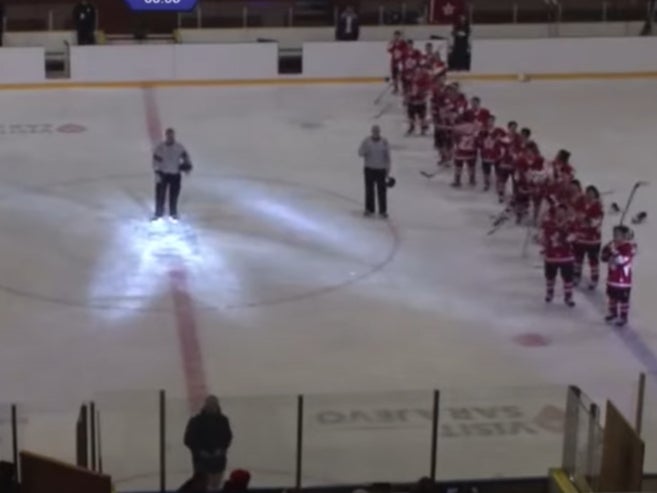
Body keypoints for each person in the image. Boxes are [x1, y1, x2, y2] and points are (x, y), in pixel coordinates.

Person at [184, 396, 233, 492]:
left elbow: (227, 437)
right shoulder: (196, 421)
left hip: (218, 461)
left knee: (215, 486)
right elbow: (188, 439)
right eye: (210, 404)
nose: (211, 407)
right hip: (202, 462)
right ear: (205, 405)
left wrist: (221, 449)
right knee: (202, 486)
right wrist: (200, 452)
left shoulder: (223, 420)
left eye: (213, 404)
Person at [152, 127, 193, 221]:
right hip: (163, 174)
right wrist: (157, 172)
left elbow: (186, 158)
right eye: (168, 135)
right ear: (166, 136)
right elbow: (155, 161)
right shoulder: (160, 148)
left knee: (174, 195)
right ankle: (158, 214)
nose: (170, 137)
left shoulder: (179, 147)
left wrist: (187, 166)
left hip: (175, 175)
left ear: (174, 135)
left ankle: (173, 213)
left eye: (171, 135)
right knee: (159, 195)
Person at [540, 203, 576, 306]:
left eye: (562, 211)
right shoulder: (548, 223)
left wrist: (566, 238)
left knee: (568, 278)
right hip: (551, 256)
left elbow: (574, 236)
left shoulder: (570, 224)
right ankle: (549, 293)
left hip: (566, 256)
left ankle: (568, 296)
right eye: (558, 211)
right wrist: (543, 241)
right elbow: (542, 236)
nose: (560, 213)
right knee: (550, 276)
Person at [601, 225, 636, 327]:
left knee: (623, 299)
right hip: (612, 278)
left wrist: (614, 250)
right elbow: (604, 259)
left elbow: (622, 261)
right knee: (612, 297)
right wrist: (606, 250)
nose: (616, 237)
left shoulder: (628, 248)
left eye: (619, 235)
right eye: (615, 234)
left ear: (625, 236)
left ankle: (623, 317)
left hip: (623, 281)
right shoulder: (614, 245)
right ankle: (613, 313)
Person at [573, 185, 604, 289]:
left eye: (591, 193)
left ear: (595, 194)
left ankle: (594, 278)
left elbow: (596, 221)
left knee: (593, 260)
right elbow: (574, 215)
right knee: (578, 258)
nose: (589, 195)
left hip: (593, 240)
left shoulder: (598, 206)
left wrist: (586, 219)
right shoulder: (580, 203)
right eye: (587, 192)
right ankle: (576, 276)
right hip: (580, 238)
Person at [358, 125, 391, 218]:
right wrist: (365, 151)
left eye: (377, 132)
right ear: (372, 132)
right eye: (374, 132)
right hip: (369, 169)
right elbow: (360, 153)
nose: (376, 133)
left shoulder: (384, 142)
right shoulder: (366, 141)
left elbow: (387, 157)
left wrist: (387, 170)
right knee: (369, 190)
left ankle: (383, 210)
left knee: (382, 191)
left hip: (381, 170)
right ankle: (369, 209)